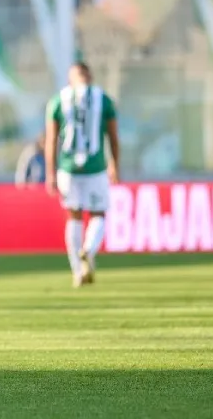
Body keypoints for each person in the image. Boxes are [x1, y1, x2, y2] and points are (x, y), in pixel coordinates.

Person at [46, 62, 120, 288]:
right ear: (90, 76)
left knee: (74, 217)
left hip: (68, 169)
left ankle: (78, 272)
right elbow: (113, 137)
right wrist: (114, 164)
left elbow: (51, 140)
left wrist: (50, 173)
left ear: (71, 78)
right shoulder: (103, 100)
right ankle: (88, 250)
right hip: (96, 167)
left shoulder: (58, 101)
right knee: (98, 214)